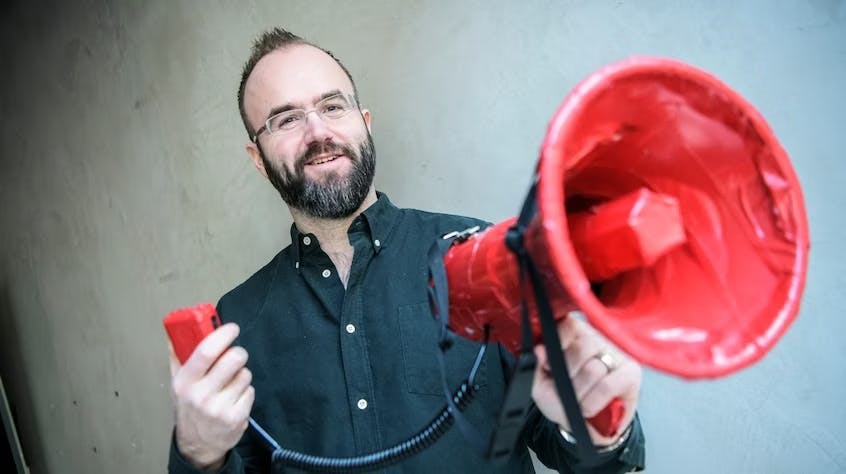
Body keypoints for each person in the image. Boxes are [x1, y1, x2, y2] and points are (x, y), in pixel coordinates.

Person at [167, 28, 646, 474]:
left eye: (333, 106)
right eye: (286, 118)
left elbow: (578, 451)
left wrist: (599, 420)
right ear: (258, 158)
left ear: (364, 122)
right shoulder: (237, 321)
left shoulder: (485, 257)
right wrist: (199, 452)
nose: (317, 132)